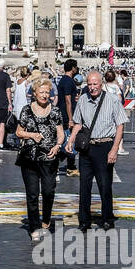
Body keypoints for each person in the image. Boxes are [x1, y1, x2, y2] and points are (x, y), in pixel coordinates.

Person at [66, 69, 126, 232]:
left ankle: (107, 218)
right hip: (87, 147)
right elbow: (78, 123)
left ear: (102, 84)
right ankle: (84, 220)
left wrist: (114, 149)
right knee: (84, 186)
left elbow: (120, 125)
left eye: (95, 84)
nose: (92, 87)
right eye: (89, 84)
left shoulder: (112, 100)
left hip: (105, 146)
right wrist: (70, 140)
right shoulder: (83, 99)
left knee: (105, 185)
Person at [15, 74, 64, 241]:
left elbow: (61, 134)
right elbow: (18, 132)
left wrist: (58, 146)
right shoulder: (26, 110)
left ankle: (46, 219)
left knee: (49, 191)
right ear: (34, 93)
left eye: (47, 92)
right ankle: (34, 227)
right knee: (32, 194)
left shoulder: (56, 111)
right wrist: (31, 135)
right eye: (41, 92)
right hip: (29, 157)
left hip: (49, 157)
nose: (44, 95)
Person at [56, 59, 80, 175]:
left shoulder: (64, 80)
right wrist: (71, 119)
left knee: (68, 139)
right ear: (73, 68)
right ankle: (70, 167)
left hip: (65, 114)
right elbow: (67, 101)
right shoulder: (68, 82)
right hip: (67, 115)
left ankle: (69, 165)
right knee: (69, 139)